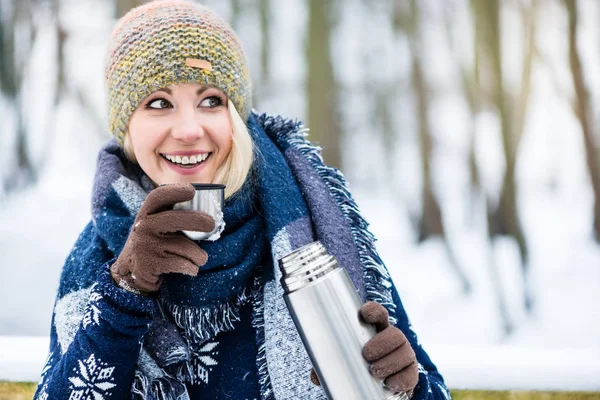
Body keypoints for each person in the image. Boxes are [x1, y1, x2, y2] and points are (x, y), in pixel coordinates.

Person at [34, 1, 451, 399]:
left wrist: (406, 389)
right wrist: (125, 291)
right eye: (158, 103)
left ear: (236, 116)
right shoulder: (98, 255)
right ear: (127, 126)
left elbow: (429, 390)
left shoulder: (320, 225)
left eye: (211, 101)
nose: (189, 129)